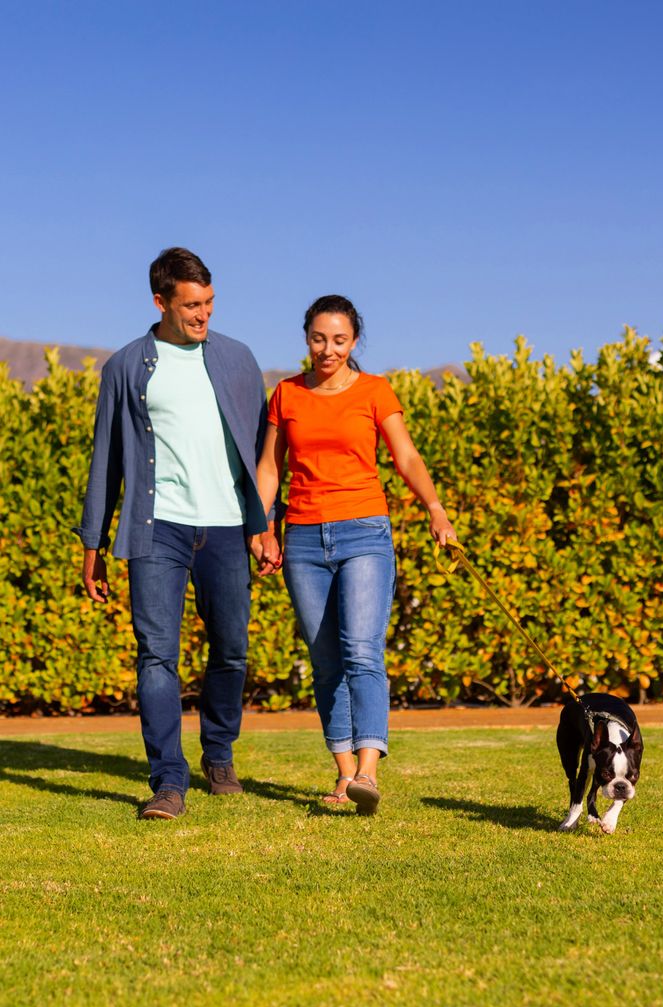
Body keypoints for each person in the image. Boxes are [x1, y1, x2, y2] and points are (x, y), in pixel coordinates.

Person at [76, 247, 280, 820]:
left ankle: (218, 754)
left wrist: (265, 526)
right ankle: (168, 781)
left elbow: (263, 455)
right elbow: (106, 462)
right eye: (191, 304)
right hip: (155, 527)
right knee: (156, 655)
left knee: (232, 651)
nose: (203, 314)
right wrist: (92, 544)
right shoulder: (125, 367)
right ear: (160, 302)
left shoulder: (239, 360)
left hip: (225, 526)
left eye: (209, 302)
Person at [256, 295, 455, 814]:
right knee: (325, 664)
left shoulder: (374, 391)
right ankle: (344, 776)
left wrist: (434, 508)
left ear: (354, 341)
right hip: (301, 536)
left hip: (364, 531)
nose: (328, 349)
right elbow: (270, 469)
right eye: (319, 338)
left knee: (361, 652)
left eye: (339, 340)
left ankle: (369, 770)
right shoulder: (286, 394)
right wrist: (263, 528)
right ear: (306, 337)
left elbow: (405, 455)